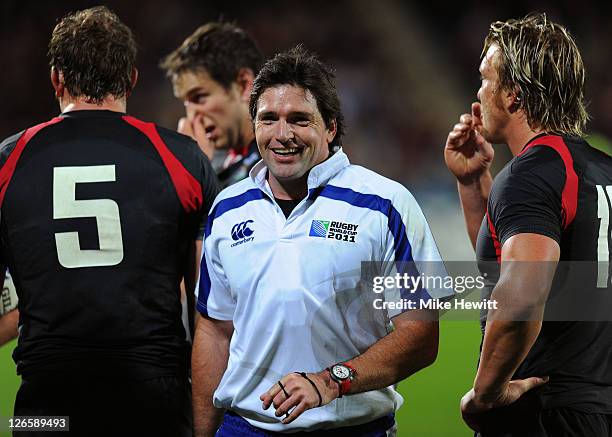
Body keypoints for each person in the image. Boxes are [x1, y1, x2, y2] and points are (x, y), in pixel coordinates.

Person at [192, 46, 453, 436]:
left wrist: (331, 382)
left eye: (299, 120)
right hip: (242, 428)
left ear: (330, 127)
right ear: (255, 126)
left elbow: (420, 335)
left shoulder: (384, 205)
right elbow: (214, 331)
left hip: (352, 428)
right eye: (269, 119)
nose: (283, 134)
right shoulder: (227, 208)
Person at [0, 6, 219, 436]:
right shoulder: (183, 160)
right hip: (154, 400)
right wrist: (204, 420)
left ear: (56, 79)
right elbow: (208, 311)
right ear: (132, 78)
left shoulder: (8, 162)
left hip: (44, 403)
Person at [444, 13, 612, 436]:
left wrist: (487, 394)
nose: (478, 94)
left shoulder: (531, 175)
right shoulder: (600, 171)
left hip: (547, 413)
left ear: (514, 95)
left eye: (485, 79)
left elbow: (519, 299)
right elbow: (508, 260)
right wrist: (474, 183)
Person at [161, 22, 263, 188]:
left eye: (199, 97)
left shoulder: (278, 161)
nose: (191, 117)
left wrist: (197, 173)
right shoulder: (220, 164)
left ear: (244, 85)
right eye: (186, 103)